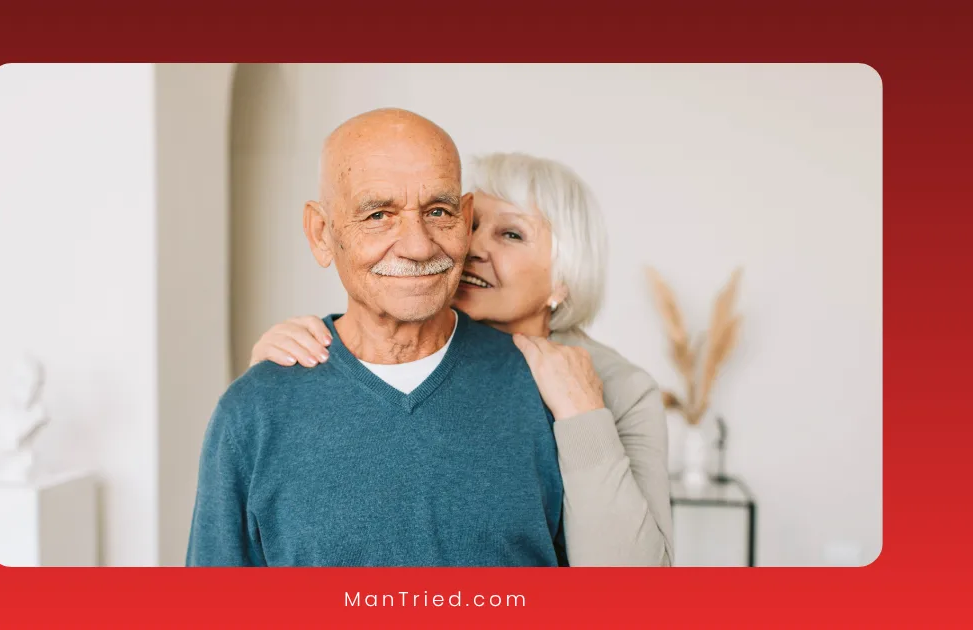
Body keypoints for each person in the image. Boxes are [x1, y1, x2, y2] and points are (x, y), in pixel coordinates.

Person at [248, 152, 674, 566]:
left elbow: (639, 588)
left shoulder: (623, 388)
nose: (473, 248)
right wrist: (280, 377)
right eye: (469, 225)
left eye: (511, 234)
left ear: (563, 278)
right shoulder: (397, 349)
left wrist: (583, 416)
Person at [186, 109, 569, 567]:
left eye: (439, 212)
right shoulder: (253, 412)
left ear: (466, 221)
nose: (418, 245)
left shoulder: (548, 391)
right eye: (379, 214)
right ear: (322, 234)